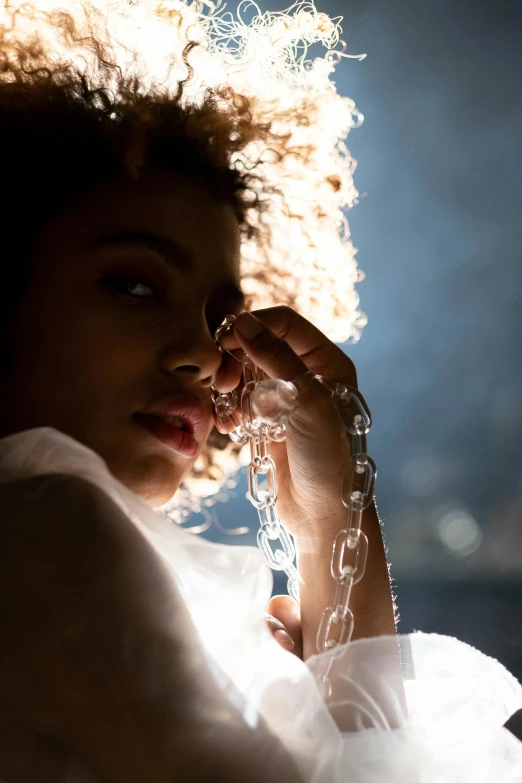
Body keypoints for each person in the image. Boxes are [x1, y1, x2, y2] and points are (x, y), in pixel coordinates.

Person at [0, 1, 520, 781]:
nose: (203, 359)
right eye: (135, 285)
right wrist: (336, 507)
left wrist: (330, 517)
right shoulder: (47, 524)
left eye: (221, 322)